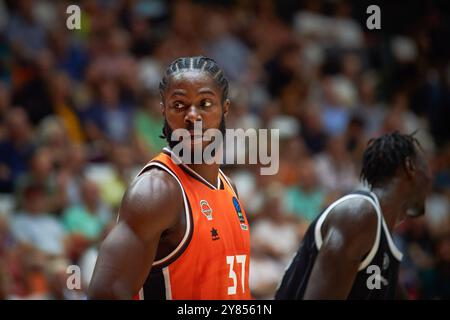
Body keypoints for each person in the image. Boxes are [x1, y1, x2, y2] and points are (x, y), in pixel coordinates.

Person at [88, 56, 251, 299]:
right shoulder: (156, 192)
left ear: (225, 108)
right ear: (163, 110)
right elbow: (105, 294)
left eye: (205, 103)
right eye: (179, 105)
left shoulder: (229, 187)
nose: (192, 116)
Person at [275, 131, 432, 299]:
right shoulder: (360, 214)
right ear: (410, 166)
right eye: (427, 166)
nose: (431, 176)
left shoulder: (382, 243)